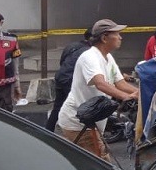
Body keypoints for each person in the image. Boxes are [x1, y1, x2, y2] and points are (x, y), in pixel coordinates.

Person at [56, 20, 138, 160]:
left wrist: (141, 94)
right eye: (117, 34)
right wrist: (126, 97)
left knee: (91, 165)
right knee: (101, 165)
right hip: (78, 122)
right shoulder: (90, 57)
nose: (120, 37)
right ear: (104, 38)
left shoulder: (108, 57)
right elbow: (100, 83)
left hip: (91, 121)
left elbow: (120, 83)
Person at [47, 28, 92, 132]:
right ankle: (78, 132)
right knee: (79, 106)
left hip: (60, 77)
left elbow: (62, 62)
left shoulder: (72, 45)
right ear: (91, 38)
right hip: (70, 80)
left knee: (57, 107)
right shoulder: (89, 52)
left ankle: (48, 131)